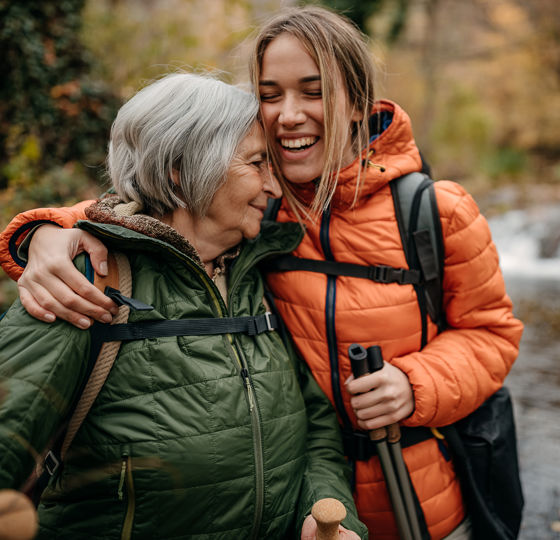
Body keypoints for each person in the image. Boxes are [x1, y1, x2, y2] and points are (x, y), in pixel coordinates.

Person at [0, 6, 524, 539]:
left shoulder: (435, 212)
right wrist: (46, 231)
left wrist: (417, 384)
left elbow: (493, 334)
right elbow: (153, 202)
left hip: (416, 499)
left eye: (313, 91)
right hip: (295, 504)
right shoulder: (254, 211)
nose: (287, 115)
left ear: (358, 102)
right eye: (270, 94)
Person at [0, 72, 366, 540]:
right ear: (182, 169)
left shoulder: (259, 278)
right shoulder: (85, 282)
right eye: (257, 163)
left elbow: (316, 432)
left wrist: (323, 514)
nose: (275, 187)